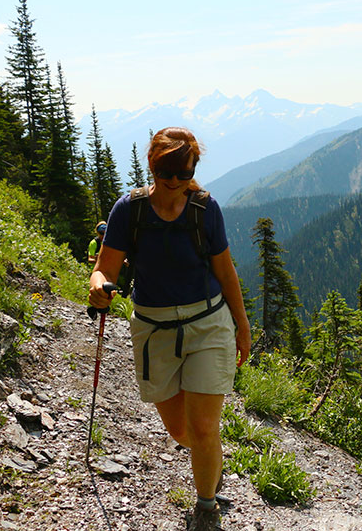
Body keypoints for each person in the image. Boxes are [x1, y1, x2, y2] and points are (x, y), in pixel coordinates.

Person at [88, 127, 252, 531]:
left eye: (184, 172)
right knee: (182, 432)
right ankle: (210, 462)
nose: (175, 181)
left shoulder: (204, 209)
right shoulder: (129, 211)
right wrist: (97, 288)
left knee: (202, 427)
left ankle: (206, 508)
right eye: (168, 172)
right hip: (154, 329)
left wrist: (242, 327)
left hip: (208, 325)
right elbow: (105, 268)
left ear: (193, 167)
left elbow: (226, 272)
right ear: (152, 165)